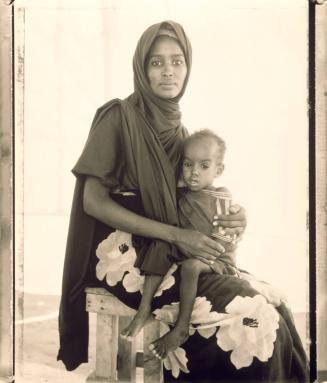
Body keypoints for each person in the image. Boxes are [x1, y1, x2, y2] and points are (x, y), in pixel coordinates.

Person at [58, 20, 309, 382]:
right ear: (142, 68)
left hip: (172, 252)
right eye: (156, 62)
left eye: (177, 61)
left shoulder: (181, 133)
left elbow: (194, 198)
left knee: (275, 301)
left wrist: (239, 216)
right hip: (125, 258)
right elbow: (93, 202)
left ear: (188, 66)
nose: (168, 71)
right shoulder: (119, 117)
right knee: (253, 314)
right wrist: (176, 235)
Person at [121, 129, 239, 359]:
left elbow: (228, 234)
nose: (194, 173)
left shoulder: (221, 196)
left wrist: (213, 252)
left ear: (219, 170)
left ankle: (181, 328)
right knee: (160, 247)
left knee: (192, 267)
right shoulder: (180, 193)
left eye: (204, 166)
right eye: (187, 164)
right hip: (185, 249)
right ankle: (144, 308)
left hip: (216, 258)